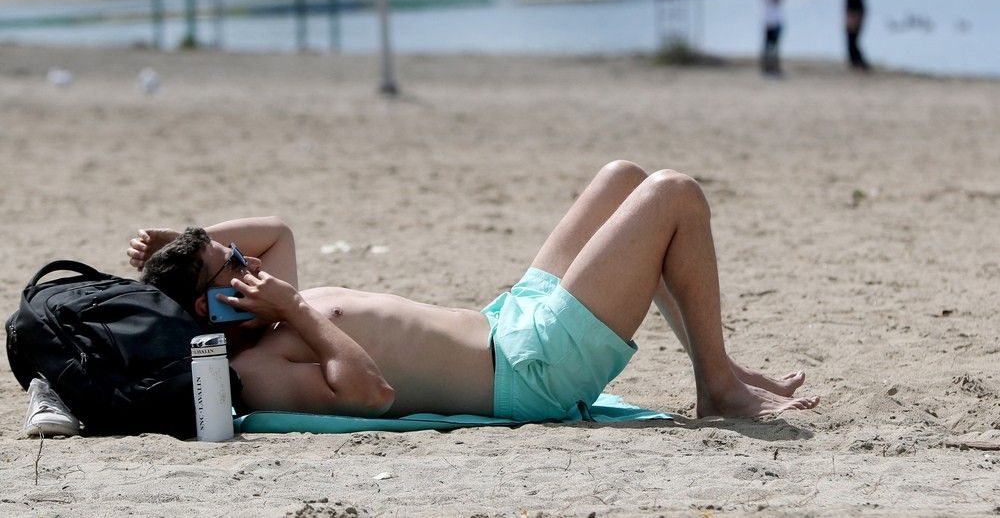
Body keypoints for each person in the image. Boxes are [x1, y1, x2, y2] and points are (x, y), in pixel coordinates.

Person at [126, 162, 818, 422]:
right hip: (530, 367)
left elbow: (276, 229)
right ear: (207, 309)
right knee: (673, 194)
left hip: (506, 320)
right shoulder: (255, 365)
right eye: (233, 265)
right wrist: (296, 309)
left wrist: (184, 240)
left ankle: (714, 370)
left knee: (621, 176)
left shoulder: (268, 309)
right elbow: (371, 393)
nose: (254, 261)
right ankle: (719, 385)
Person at [756, 0, 792, 77]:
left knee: (768, 44)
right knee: (773, 45)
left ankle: (767, 68)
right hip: (773, 18)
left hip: (766, 17)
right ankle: (771, 68)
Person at [845, 0, 870, 70]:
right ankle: (857, 62)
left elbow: (852, 0)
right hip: (856, 11)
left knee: (852, 39)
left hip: (854, 12)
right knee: (853, 39)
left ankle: (857, 62)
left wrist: (851, 15)